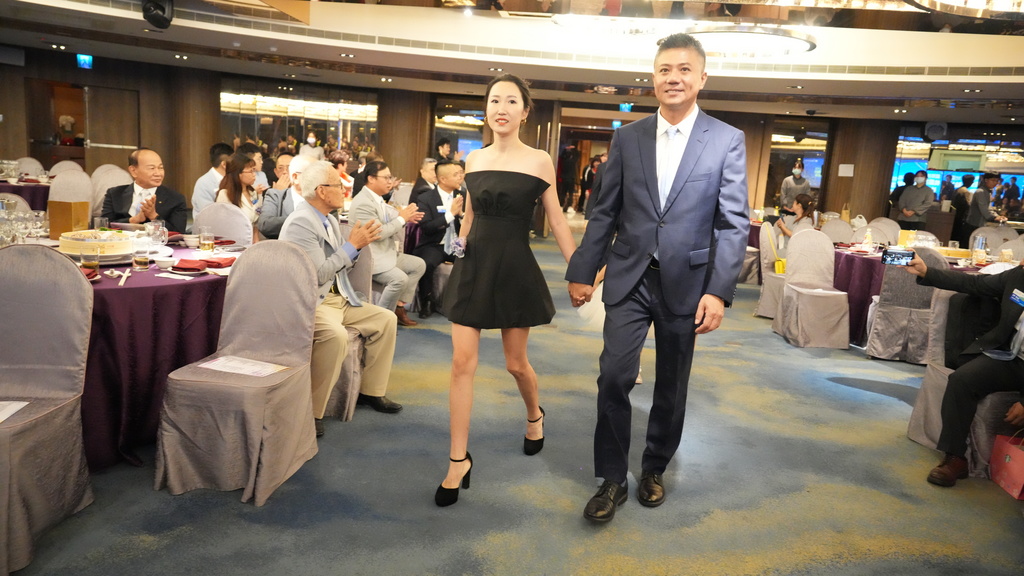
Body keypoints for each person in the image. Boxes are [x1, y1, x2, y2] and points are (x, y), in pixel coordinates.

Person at [565, 33, 749, 523]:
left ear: (702, 78)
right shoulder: (628, 137)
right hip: (629, 276)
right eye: (665, 69)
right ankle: (611, 478)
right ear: (653, 78)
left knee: (672, 382)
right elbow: (604, 212)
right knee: (614, 376)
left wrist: (718, 291)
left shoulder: (726, 139)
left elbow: (733, 223)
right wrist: (583, 270)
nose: (674, 77)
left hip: (687, 283)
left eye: (684, 69)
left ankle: (653, 467)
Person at [434, 73, 576, 508]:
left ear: (524, 111)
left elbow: (556, 219)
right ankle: (458, 460)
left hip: (514, 267)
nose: (501, 108)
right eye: (495, 100)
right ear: (487, 109)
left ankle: (534, 414)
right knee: (462, 363)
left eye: (511, 101)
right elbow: (470, 216)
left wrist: (579, 270)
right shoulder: (474, 159)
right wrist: (458, 248)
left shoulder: (539, 160)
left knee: (516, 364)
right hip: (474, 265)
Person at [279, 160, 402, 436]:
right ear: (322, 191)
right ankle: (311, 411)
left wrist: (354, 248)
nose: (344, 189)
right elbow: (318, 275)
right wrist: (352, 246)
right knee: (335, 337)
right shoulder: (301, 222)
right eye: (337, 185)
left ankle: (371, 391)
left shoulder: (330, 219)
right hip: (315, 301)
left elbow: (341, 265)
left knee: (386, 319)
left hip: (338, 297)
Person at [901, 252, 1024, 487]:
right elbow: (974, 283)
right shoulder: (1019, 277)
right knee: (962, 380)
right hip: (1014, 357)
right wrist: (926, 271)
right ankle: (955, 458)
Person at [348, 160, 426, 327]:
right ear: (371, 178)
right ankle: (380, 320)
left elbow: (390, 217)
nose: (390, 182)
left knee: (419, 265)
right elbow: (379, 233)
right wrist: (402, 218)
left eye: (391, 177)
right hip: (370, 258)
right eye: (386, 177)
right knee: (399, 279)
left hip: (385, 253)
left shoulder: (377, 198)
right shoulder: (363, 202)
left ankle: (398, 306)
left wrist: (405, 216)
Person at [412, 160, 464, 318]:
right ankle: (427, 301)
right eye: (455, 174)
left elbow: (471, 222)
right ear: (443, 179)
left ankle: (464, 302)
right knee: (426, 263)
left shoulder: (464, 195)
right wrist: (450, 214)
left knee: (475, 260)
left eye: (460, 173)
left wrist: (462, 215)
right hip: (434, 243)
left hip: (457, 243)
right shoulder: (426, 198)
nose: (460, 177)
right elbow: (427, 227)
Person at [102, 148, 188, 233]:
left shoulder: (175, 199)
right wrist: (134, 220)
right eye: (152, 168)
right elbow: (104, 227)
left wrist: (154, 217)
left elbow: (178, 232)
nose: (158, 173)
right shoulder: (115, 194)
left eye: (161, 168)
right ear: (133, 171)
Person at [258, 154, 312, 240]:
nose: (284, 172)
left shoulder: (314, 194)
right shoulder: (273, 194)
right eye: (280, 168)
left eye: (288, 168)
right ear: (276, 172)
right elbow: (265, 225)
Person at [215, 152, 263, 244]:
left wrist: (256, 242)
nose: (254, 174)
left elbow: (256, 220)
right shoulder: (225, 195)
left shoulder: (253, 193)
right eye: (250, 171)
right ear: (238, 173)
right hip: (234, 244)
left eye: (254, 171)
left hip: (253, 243)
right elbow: (223, 227)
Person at [192, 142, 233, 222]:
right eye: (233, 161)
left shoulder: (232, 179)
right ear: (224, 164)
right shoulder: (203, 183)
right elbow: (208, 213)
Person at [964, 172, 1008, 245]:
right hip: (973, 225)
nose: (995, 183)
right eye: (993, 180)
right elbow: (984, 209)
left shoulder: (987, 191)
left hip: (978, 224)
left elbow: (988, 208)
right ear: (986, 180)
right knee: (972, 246)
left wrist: (997, 216)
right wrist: (995, 217)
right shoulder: (980, 192)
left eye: (997, 181)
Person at [951, 174, 975, 246]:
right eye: (972, 181)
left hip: (954, 215)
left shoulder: (957, 190)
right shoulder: (966, 192)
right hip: (962, 216)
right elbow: (969, 205)